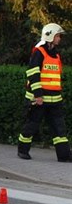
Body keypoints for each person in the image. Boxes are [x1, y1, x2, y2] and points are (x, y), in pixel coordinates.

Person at [18, 23, 71, 162]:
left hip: (55, 99)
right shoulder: (39, 52)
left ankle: (64, 155)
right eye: (58, 35)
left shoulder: (56, 54)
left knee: (59, 129)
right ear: (50, 36)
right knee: (32, 125)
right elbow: (33, 73)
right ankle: (22, 150)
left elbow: (55, 77)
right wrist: (38, 95)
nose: (59, 38)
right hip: (39, 98)